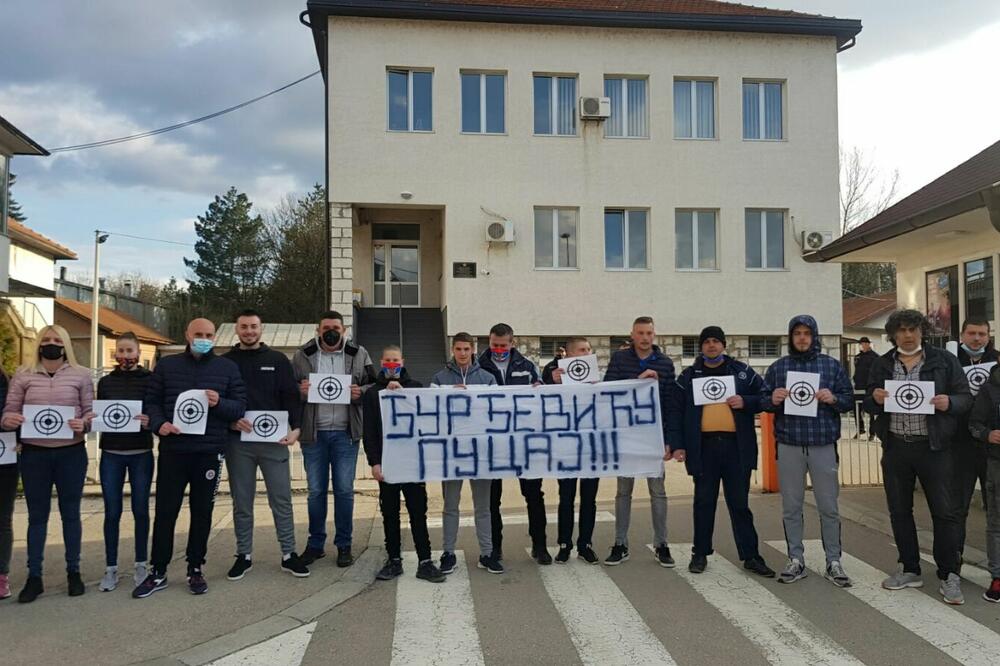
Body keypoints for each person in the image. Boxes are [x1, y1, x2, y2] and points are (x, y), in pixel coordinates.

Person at [864, 309, 971, 605]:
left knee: (944, 512)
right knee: (899, 511)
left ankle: (949, 574)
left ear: (922, 331)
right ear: (893, 334)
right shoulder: (883, 364)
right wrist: (873, 398)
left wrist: (950, 402)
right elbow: (868, 400)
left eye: (913, 329)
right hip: (897, 446)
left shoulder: (943, 361)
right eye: (901, 330)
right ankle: (909, 568)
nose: (908, 335)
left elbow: (965, 398)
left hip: (934, 447)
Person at [134, 318, 247, 598]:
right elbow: (152, 402)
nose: (204, 338)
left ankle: (195, 568)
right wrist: (159, 424)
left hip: (209, 452)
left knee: (202, 513)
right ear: (187, 334)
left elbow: (239, 407)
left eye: (209, 334)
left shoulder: (227, 368)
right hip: (174, 450)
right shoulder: (167, 366)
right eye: (199, 334)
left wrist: (219, 402)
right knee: (165, 512)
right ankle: (158, 571)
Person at [668, 326, 774, 577]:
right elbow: (675, 411)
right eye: (707, 342)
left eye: (716, 341)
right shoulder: (688, 376)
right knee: (703, 502)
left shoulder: (742, 373)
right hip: (703, 447)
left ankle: (751, 556)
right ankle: (700, 553)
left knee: (739, 504)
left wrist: (745, 402)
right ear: (701, 347)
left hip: (736, 447)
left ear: (724, 345)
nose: (712, 345)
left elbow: (765, 397)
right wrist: (678, 444)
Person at [761, 315, 854, 587]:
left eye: (806, 333)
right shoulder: (779, 368)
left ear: (815, 336)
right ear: (790, 337)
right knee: (791, 506)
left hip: (822, 444)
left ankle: (834, 560)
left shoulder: (831, 366)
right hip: (789, 444)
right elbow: (764, 401)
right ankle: (795, 559)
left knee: (829, 506)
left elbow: (848, 400)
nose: (802, 338)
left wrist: (833, 398)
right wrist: (773, 399)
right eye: (797, 333)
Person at [2, 325, 92, 603]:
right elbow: (9, 411)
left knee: (71, 514)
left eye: (57, 340)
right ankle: (34, 576)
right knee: (37, 517)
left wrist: (84, 423)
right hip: (35, 455)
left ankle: (73, 572)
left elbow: (90, 412)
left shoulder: (82, 375)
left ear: (66, 345)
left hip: (71, 453)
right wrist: (8, 421)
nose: (51, 344)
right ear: (39, 343)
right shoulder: (23, 374)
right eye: (46, 340)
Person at [223, 309, 309, 581]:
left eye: (254, 326)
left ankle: (288, 554)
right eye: (244, 327)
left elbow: (290, 397)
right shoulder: (224, 363)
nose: (249, 331)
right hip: (239, 444)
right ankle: (243, 555)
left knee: (282, 500)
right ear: (236, 330)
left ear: (262, 329)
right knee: (242, 501)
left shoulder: (278, 360)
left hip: (274, 442)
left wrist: (296, 428)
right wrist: (229, 422)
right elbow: (219, 402)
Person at [292, 310, 375, 569]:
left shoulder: (359, 354)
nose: (331, 332)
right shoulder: (302, 354)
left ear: (344, 330)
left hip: (345, 433)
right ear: (318, 330)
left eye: (336, 328)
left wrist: (359, 391)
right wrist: (299, 390)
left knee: (344, 490)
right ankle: (316, 544)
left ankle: (344, 545)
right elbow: (286, 388)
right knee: (316, 492)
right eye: (326, 327)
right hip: (313, 433)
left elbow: (375, 384)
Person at [363, 345, 445, 583]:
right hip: (388, 463)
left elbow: (426, 420)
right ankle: (394, 560)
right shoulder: (372, 394)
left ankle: (425, 561)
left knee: (418, 512)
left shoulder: (416, 388)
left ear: (403, 361)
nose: (391, 364)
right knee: (390, 513)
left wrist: (402, 394)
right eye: (387, 361)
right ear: (380, 362)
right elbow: (369, 432)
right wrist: (374, 463)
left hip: (412, 462)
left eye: (395, 360)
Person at [603, 316, 677, 568]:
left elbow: (670, 404)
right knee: (624, 491)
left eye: (649, 333)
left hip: (653, 437)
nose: (645, 337)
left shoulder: (666, 364)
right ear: (632, 335)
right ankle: (620, 543)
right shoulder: (620, 359)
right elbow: (608, 392)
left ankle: (661, 544)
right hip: (627, 436)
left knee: (658, 492)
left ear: (654, 335)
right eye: (640, 333)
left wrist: (669, 440)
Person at [432, 333, 502, 574]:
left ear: (473, 350)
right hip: (452, 451)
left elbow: (497, 410)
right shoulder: (439, 378)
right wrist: (450, 395)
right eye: (458, 349)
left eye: (466, 349)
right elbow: (432, 412)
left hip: (481, 451)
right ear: (452, 350)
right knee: (451, 505)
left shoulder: (488, 378)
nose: (462, 353)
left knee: (483, 507)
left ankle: (487, 553)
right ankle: (448, 552)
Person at [477, 323, 547, 564]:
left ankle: (540, 544)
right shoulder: (478, 367)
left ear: (512, 343)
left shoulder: (527, 367)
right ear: (489, 341)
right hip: (492, 442)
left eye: (503, 345)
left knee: (533, 494)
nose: (498, 349)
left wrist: (541, 389)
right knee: (492, 498)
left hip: (523, 442)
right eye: (494, 345)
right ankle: (495, 548)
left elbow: (542, 396)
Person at [93, 332, 154, 592]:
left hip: (141, 452)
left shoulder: (151, 381)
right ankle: (111, 567)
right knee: (112, 512)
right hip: (111, 453)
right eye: (121, 351)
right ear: (115, 354)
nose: (126, 356)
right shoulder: (106, 382)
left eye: (130, 351)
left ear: (138, 353)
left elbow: (156, 409)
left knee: (141, 510)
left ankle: (142, 564)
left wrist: (151, 419)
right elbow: (98, 412)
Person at [545, 336, 601, 564]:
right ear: (568, 354)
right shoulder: (555, 377)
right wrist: (552, 383)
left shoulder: (598, 379)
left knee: (589, 498)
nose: (587, 353)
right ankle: (565, 544)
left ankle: (585, 543)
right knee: (566, 497)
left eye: (588, 349)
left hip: (591, 447)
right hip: (566, 447)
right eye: (581, 350)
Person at [955, 317, 998, 560]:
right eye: (972, 333)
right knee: (957, 506)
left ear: (988, 336)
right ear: (962, 335)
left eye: (982, 334)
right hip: (959, 443)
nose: (977, 338)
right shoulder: (950, 360)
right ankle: (955, 559)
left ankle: (996, 565)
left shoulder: (997, 359)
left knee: (995, 508)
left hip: (992, 445)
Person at [967, 363, 1000, 602]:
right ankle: (998, 577)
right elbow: (974, 424)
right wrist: (988, 434)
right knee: (996, 523)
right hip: (997, 463)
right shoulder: (989, 390)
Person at [0, 367, 15, 600]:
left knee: (2, 518)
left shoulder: (5, 380)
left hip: (5, 454)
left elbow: (14, 411)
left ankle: (1, 575)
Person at [853, 337, 879, 438]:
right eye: (861, 343)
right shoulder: (858, 357)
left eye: (864, 343)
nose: (863, 345)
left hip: (869, 388)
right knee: (856, 409)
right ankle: (860, 429)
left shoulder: (875, 357)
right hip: (858, 386)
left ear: (868, 344)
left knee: (871, 411)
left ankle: (872, 433)